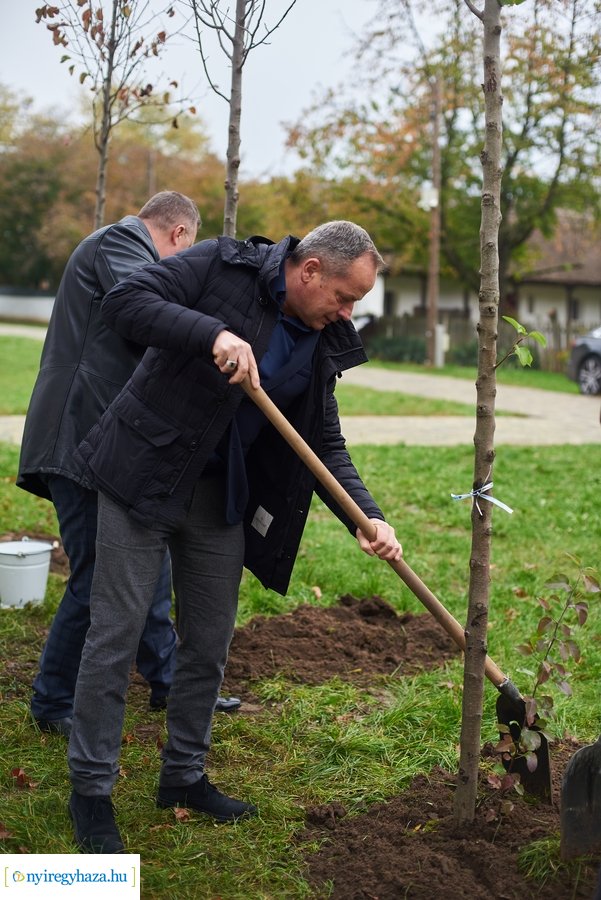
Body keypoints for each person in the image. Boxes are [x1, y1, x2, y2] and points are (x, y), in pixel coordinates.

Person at [65, 219, 403, 853]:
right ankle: (91, 790)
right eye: (344, 297)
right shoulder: (223, 265)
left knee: (209, 644)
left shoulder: (320, 340)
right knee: (116, 634)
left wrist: (368, 516)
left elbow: (323, 441)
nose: (347, 314)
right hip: (143, 472)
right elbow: (125, 302)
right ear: (310, 271)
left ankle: (183, 776)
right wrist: (213, 333)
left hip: (220, 494)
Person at [16, 191, 240, 738]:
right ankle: (52, 701)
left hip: (102, 436)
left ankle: (167, 681)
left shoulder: (120, 246)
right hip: (77, 432)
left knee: (146, 564)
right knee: (99, 575)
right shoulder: (120, 241)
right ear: (179, 234)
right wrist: (214, 332)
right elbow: (147, 307)